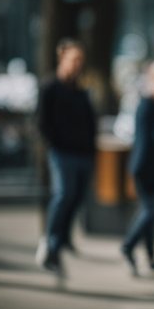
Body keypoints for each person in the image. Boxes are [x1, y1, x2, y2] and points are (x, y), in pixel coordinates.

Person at [36, 38, 97, 274]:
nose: (78, 64)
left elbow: (90, 121)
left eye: (81, 60)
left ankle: (62, 239)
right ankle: (51, 242)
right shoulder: (50, 86)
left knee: (77, 197)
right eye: (74, 59)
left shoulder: (80, 89)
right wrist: (55, 143)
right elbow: (42, 121)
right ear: (63, 58)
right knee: (64, 194)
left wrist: (91, 149)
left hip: (82, 153)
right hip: (62, 152)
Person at [120, 59, 154, 276]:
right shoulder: (146, 103)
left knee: (151, 212)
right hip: (145, 166)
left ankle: (151, 257)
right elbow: (144, 139)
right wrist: (138, 168)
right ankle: (128, 245)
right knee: (150, 210)